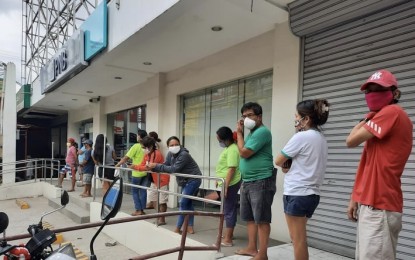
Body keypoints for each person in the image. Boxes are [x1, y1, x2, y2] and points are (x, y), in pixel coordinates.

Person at [346, 69, 413, 260]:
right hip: (372, 203)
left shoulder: (391, 112)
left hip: (380, 205)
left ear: (394, 93)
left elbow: (350, 141)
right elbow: (367, 165)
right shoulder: (381, 124)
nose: (372, 94)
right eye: (368, 90)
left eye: (378, 89)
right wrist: (355, 197)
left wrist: (367, 118)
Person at [274, 99, 330, 260]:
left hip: (297, 193)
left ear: (306, 119)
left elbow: (278, 160)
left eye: (297, 116)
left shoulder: (301, 137)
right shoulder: (321, 138)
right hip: (311, 194)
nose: (295, 119)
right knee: (299, 238)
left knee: (298, 240)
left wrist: (287, 164)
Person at [234, 102, 275, 260]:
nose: (246, 119)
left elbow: (244, 152)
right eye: (244, 116)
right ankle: (252, 248)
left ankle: (262, 254)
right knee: (249, 217)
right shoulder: (252, 133)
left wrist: (238, 133)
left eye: (250, 115)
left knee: (262, 219)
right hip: (248, 180)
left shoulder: (262, 132)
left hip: (261, 180)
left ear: (259, 116)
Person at [147, 136, 202, 234]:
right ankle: (190, 226)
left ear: (180, 145)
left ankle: (178, 228)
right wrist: (153, 168)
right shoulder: (170, 154)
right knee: (188, 203)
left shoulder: (184, 154)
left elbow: (173, 169)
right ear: (168, 146)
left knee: (183, 203)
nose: (174, 146)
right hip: (184, 181)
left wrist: (155, 165)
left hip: (194, 180)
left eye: (176, 144)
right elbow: (166, 165)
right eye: (172, 145)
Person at [131, 136, 170, 225]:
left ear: (151, 146)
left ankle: (162, 219)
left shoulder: (157, 154)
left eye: (144, 147)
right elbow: (143, 164)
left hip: (162, 180)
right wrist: (136, 166)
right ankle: (159, 215)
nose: (143, 149)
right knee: (153, 199)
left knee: (162, 201)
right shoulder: (147, 155)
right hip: (153, 180)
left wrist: (135, 167)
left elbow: (147, 167)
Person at [215, 126, 241, 247]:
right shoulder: (229, 147)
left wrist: (225, 185)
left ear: (225, 139)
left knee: (229, 210)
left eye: (219, 139)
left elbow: (232, 169)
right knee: (228, 209)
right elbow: (224, 167)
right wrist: (219, 180)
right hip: (226, 182)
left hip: (230, 183)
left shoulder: (232, 149)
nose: (219, 142)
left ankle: (228, 239)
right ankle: (229, 234)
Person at [115, 130, 148, 216]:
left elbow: (126, 157)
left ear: (140, 137)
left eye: (137, 135)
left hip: (137, 172)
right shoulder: (148, 146)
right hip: (146, 171)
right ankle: (142, 209)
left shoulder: (136, 146)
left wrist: (118, 164)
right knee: (143, 190)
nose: (136, 137)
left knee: (135, 191)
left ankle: (138, 209)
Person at [146, 131, 162, 209]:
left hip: (156, 175)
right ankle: (151, 204)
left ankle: (153, 206)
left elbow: (153, 164)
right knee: (152, 192)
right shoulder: (152, 151)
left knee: (156, 194)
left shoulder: (156, 151)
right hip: (153, 174)